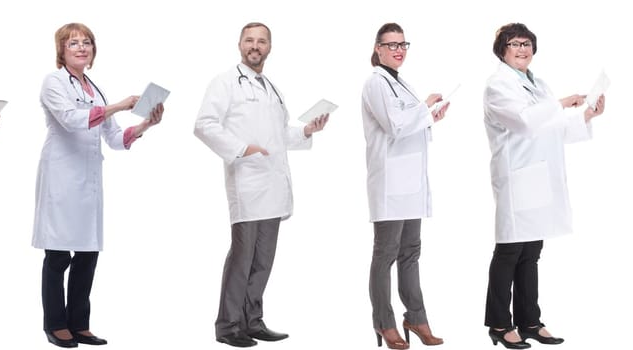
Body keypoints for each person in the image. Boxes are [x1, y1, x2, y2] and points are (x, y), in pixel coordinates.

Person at [194, 22, 329, 348]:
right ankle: (227, 326)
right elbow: (203, 125)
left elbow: (280, 135)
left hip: (273, 186)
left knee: (264, 259)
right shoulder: (225, 82)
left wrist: (307, 131)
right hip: (248, 182)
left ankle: (252, 321)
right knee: (242, 258)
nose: (255, 46)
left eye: (262, 41)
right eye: (250, 40)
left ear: (269, 47)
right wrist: (242, 149)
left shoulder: (271, 88)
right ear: (240, 44)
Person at [32, 22, 163, 348]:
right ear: (61, 50)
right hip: (62, 179)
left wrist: (146, 123)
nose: (81, 47)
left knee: (88, 254)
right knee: (59, 255)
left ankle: (80, 323)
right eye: (73, 43)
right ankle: (55, 324)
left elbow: (115, 139)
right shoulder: (54, 82)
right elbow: (71, 120)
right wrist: (118, 105)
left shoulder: (95, 88)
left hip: (88, 183)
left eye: (87, 42)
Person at [483, 22, 605, 349]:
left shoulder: (539, 84)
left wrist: (586, 115)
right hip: (517, 176)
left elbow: (552, 127)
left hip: (537, 179)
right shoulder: (498, 85)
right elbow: (524, 121)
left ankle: (530, 322)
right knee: (509, 251)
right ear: (503, 50)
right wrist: (561, 104)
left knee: (531, 253)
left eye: (527, 44)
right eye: (515, 44)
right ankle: (498, 323)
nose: (523, 49)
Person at [361, 23, 448, 349]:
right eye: (392, 44)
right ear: (378, 48)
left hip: (411, 184)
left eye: (403, 44)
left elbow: (411, 123)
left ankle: (417, 317)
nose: (399, 49)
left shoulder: (402, 84)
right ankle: (384, 323)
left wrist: (429, 116)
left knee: (411, 253)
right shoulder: (375, 83)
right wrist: (425, 109)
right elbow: (395, 126)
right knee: (385, 254)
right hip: (389, 184)